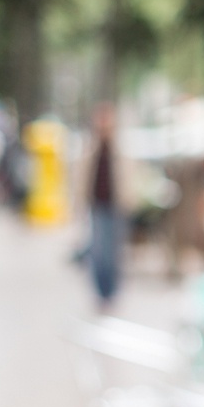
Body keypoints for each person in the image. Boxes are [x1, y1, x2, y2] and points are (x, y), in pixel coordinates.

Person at [86, 103, 124, 310]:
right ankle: (101, 292)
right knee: (98, 252)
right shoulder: (92, 149)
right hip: (97, 206)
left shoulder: (118, 150)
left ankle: (111, 292)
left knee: (113, 253)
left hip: (115, 207)